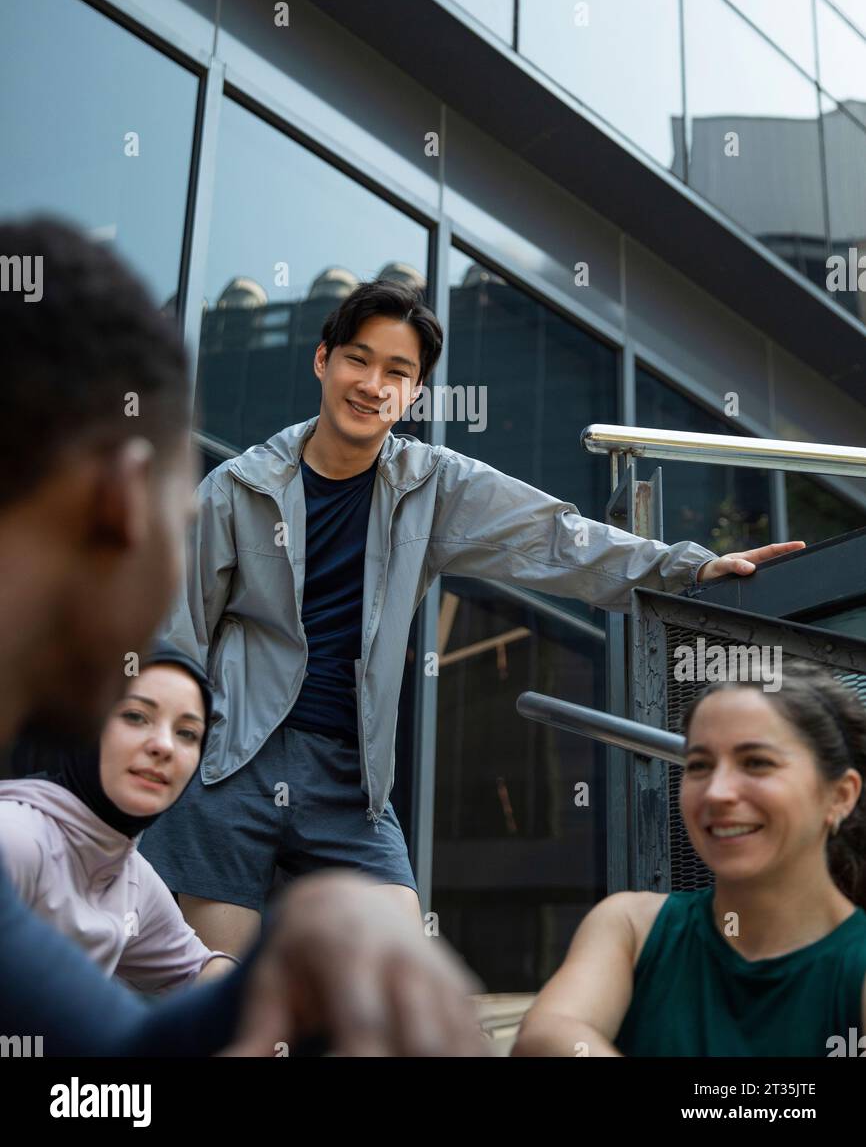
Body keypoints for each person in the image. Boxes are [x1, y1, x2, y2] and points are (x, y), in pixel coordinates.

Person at [138, 276, 804, 956]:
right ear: (323, 361)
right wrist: (171, 754)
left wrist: (687, 566)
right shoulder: (237, 488)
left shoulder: (434, 484)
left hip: (351, 780)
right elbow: (176, 637)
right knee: (212, 991)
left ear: (415, 394)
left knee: (400, 977)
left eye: (397, 372)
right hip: (232, 763)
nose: (372, 384)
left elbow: (558, 538)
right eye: (358, 359)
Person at [0, 213, 485, 1056]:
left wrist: (282, 960)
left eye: (398, 372)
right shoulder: (23, 841)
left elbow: (118, 1062)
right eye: (177, 508)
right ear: (122, 500)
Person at [511, 657, 866, 1057]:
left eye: (756, 763)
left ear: (840, 795)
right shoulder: (633, 926)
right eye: (699, 765)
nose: (717, 792)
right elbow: (547, 1036)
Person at [0, 642, 239, 991]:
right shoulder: (17, 837)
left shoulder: (128, 871)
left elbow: (195, 973)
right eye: (135, 716)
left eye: (187, 733)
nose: (164, 746)